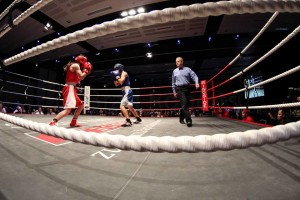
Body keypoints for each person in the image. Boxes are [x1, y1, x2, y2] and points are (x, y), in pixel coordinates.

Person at [49, 54, 92, 127]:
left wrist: (86, 71)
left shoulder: (76, 66)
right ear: (82, 61)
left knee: (81, 106)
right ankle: (53, 122)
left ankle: (73, 122)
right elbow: (81, 77)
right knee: (68, 110)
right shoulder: (76, 65)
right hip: (69, 88)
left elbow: (81, 78)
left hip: (72, 88)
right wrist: (86, 70)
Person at [172, 57, 199, 127]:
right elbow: (173, 82)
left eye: (178, 61)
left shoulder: (188, 69)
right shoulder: (174, 71)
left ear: (182, 62)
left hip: (187, 88)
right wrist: (174, 91)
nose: (176, 63)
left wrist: (196, 83)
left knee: (185, 105)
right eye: (176, 61)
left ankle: (181, 118)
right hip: (179, 89)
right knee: (184, 105)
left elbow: (195, 76)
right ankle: (189, 120)